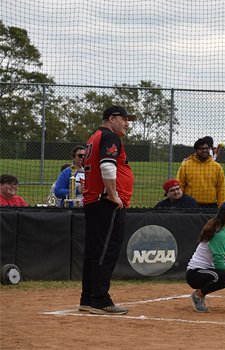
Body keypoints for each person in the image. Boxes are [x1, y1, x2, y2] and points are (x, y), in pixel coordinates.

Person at [79, 105, 136, 315]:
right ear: (112, 118)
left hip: (94, 201)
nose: (127, 123)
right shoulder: (111, 137)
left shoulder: (95, 136)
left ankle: (88, 298)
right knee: (105, 252)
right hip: (106, 203)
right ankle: (101, 300)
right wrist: (113, 195)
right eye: (125, 119)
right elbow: (107, 166)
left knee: (94, 252)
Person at [177, 137, 225, 208]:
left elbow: (221, 189)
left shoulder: (217, 167)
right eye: (201, 149)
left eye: (206, 148)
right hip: (190, 207)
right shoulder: (186, 166)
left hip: (211, 207)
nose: (204, 151)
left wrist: (222, 208)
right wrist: (180, 205)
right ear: (195, 150)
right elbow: (180, 187)